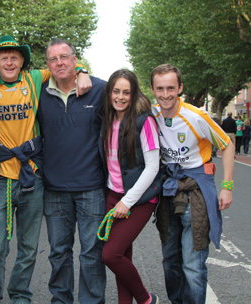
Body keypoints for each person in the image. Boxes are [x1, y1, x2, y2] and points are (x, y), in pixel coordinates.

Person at [0, 35, 92, 304]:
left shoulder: (35, 78)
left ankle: (20, 296)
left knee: (28, 247)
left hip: (32, 176)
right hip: (1, 178)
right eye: (4, 58)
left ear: (22, 60)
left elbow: (65, 67)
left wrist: (82, 71)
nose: (10, 62)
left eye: (14, 57)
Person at [150, 64, 234, 304]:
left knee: (193, 265)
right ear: (154, 90)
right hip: (168, 191)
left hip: (196, 191)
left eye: (170, 88)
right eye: (160, 88)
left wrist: (227, 187)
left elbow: (227, 144)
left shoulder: (196, 116)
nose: (165, 94)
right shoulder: (151, 114)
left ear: (180, 88)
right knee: (169, 261)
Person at [37, 39, 106, 304]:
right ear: (48, 65)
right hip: (54, 189)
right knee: (59, 254)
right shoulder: (38, 92)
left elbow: (129, 107)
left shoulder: (99, 89)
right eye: (53, 59)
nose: (59, 63)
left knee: (91, 254)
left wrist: (84, 73)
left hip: (92, 188)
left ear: (75, 60)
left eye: (64, 57)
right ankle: (61, 301)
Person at [99, 69, 160, 304]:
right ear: (109, 93)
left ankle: (146, 299)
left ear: (134, 94)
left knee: (110, 255)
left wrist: (127, 201)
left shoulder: (145, 121)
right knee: (122, 255)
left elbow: (152, 167)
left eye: (127, 92)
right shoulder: (107, 119)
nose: (121, 97)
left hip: (140, 199)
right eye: (116, 91)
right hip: (113, 194)